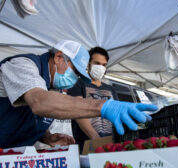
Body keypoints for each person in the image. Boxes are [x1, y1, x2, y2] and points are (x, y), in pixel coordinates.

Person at [0, 39, 158, 149]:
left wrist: (47, 137)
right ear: (58, 57)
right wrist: (102, 106)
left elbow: (29, 117)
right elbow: (39, 102)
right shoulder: (23, 65)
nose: (74, 79)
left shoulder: (54, 87)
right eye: (75, 72)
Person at [68, 47, 119, 152]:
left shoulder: (111, 89)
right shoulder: (78, 84)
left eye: (104, 65)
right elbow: (78, 112)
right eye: (97, 63)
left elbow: (117, 113)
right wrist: (96, 139)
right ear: (88, 64)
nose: (101, 67)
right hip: (87, 145)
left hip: (111, 144)